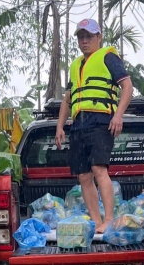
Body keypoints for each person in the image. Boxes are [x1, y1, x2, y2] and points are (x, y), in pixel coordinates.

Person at [54, 19, 133, 233]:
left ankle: (108, 219)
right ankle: (97, 222)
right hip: (78, 123)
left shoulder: (108, 57)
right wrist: (60, 127)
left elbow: (127, 86)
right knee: (83, 175)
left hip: (100, 119)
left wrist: (118, 115)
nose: (84, 41)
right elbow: (68, 100)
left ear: (99, 37)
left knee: (99, 169)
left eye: (89, 36)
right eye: (81, 37)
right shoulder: (75, 65)